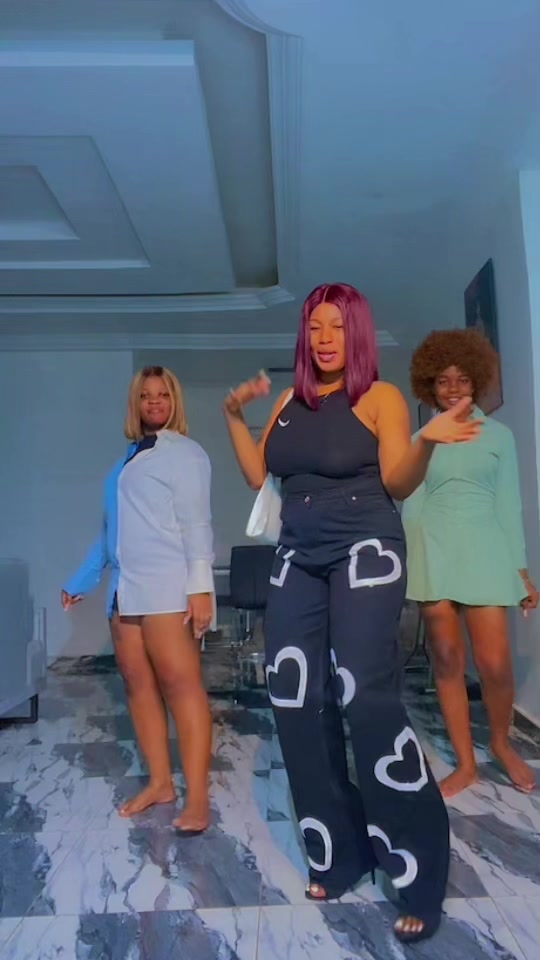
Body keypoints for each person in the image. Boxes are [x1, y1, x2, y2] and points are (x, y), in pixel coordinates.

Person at [223, 283, 482, 944]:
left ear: (357, 333)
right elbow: (258, 476)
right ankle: (339, 855)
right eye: (315, 326)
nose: (324, 338)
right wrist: (233, 417)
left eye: (337, 326)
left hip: (366, 546)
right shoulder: (289, 401)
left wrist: (426, 439)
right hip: (297, 552)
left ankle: (418, 870)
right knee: (294, 699)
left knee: (365, 697)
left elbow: (397, 480)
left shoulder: (380, 397)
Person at [61, 365, 214, 833]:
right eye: (146, 395)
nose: (154, 402)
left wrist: (201, 586)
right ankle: (161, 783)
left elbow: (197, 524)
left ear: (175, 400)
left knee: (181, 685)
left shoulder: (185, 453)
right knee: (137, 685)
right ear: (136, 403)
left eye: (163, 394)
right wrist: (81, 580)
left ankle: (198, 799)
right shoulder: (127, 459)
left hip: (168, 587)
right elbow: (111, 531)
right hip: (125, 591)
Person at [402, 329, 539, 799]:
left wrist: (521, 573)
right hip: (434, 550)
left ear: (476, 381)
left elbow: (508, 506)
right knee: (446, 658)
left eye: (462, 379)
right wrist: (412, 565)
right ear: (430, 386)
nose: (453, 389)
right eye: (443, 381)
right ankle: (465, 764)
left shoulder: (500, 436)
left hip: (485, 550)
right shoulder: (421, 437)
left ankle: (500, 743)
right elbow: (412, 505)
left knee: (495, 664)